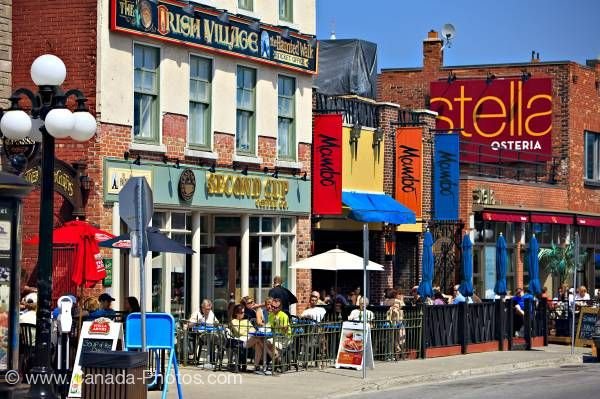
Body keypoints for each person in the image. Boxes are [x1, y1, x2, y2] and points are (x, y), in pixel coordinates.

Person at [229, 304, 264, 371]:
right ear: (236, 313)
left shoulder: (246, 321)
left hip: (249, 339)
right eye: (241, 312)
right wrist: (247, 329)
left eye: (243, 312)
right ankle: (265, 355)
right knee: (258, 340)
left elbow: (253, 330)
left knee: (257, 343)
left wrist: (247, 330)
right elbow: (240, 332)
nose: (243, 314)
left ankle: (256, 365)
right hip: (240, 341)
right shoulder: (234, 321)